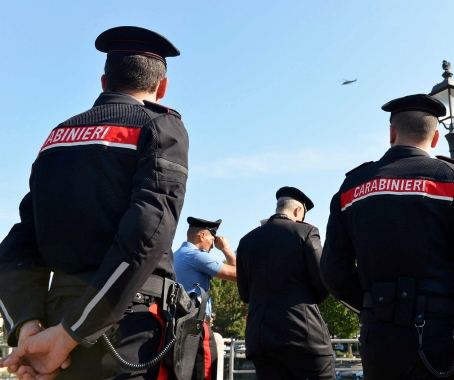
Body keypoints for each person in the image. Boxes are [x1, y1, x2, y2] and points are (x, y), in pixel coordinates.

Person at [0, 26, 188, 380]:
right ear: (161, 88)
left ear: (104, 82)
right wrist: (74, 332)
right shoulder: (160, 127)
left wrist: (28, 327)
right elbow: (147, 234)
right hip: (128, 328)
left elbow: (19, 244)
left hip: (56, 330)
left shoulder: (56, 137)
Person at [320, 94, 454, 380]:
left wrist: (376, 304)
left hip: (377, 337)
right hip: (442, 336)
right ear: (435, 139)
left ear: (392, 133)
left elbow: (333, 272)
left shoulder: (351, 187)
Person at [236, 187, 335, 380]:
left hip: (261, 338)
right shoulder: (306, 231)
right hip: (302, 334)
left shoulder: (246, 240)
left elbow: (245, 294)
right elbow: (323, 281)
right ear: (298, 211)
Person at [174, 217, 237, 380]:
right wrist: (226, 249)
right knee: (204, 374)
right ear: (202, 235)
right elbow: (239, 274)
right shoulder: (197, 256)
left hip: (177, 326)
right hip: (196, 328)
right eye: (212, 238)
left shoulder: (176, 255)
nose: (213, 243)